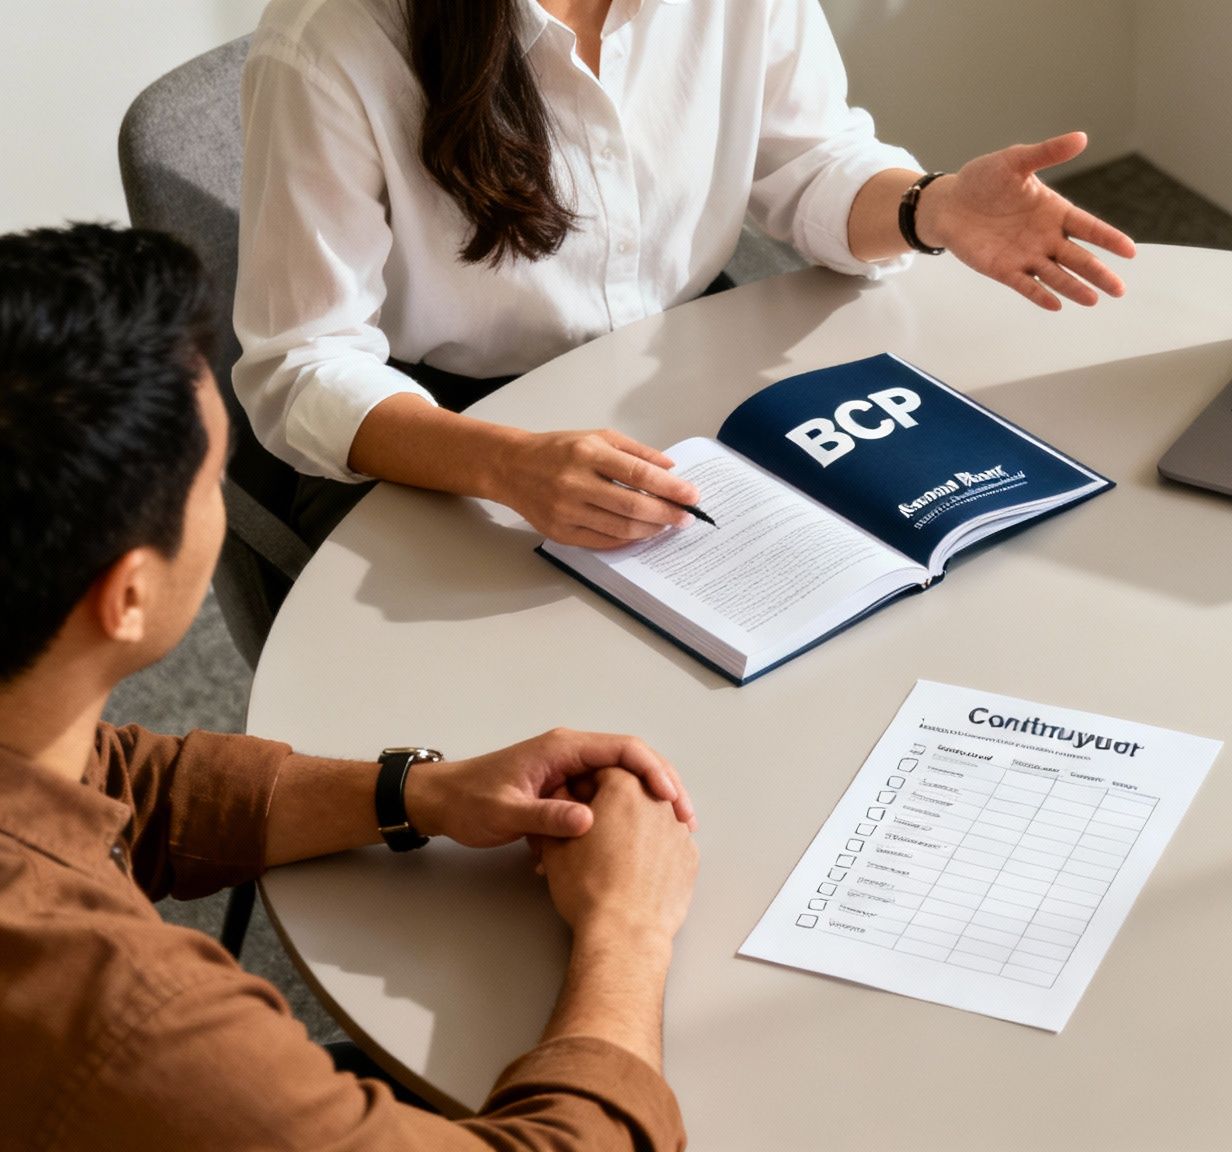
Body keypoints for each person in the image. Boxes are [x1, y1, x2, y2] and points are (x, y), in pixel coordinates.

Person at [1, 223, 702, 1148]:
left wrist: (418, 793)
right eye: (213, 480)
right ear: (127, 594)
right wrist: (627, 929)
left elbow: (106, 782)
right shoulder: (133, 1021)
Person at [234, 0, 1139, 549]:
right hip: (443, 425)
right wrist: (507, 465)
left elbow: (810, 159)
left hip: (674, 360)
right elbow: (302, 366)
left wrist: (928, 206)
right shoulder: (331, 44)